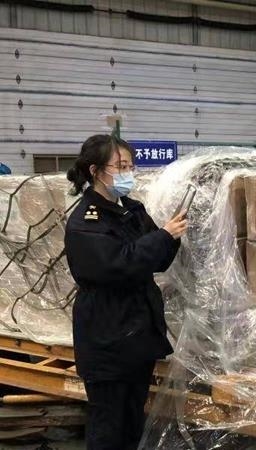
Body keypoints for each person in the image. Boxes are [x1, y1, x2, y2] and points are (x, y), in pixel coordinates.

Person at [64, 134, 188, 450]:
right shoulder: (86, 220)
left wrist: (173, 236)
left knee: (133, 421)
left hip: (137, 336)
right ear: (95, 171)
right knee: (109, 425)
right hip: (107, 336)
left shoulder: (131, 209)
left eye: (130, 166)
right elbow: (117, 265)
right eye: (120, 166)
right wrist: (162, 236)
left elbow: (156, 259)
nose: (128, 173)